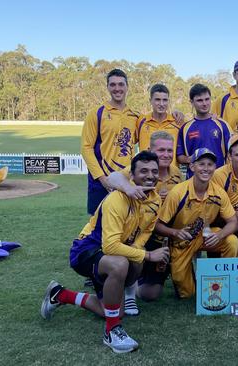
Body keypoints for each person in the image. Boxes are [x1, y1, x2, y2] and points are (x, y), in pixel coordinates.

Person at [40, 151, 169, 353]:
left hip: (109, 255)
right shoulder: (117, 199)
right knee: (123, 264)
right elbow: (110, 246)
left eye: (154, 171)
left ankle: (61, 294)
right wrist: (148, 255)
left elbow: (147, 230)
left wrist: (138, 248)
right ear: (132, 176)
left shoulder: (154, 200)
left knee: (110, 309)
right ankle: (112, 331)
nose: (150, 175)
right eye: (143, 171)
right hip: (86, 250)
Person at [106, 131, 184, 311]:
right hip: (139, 233)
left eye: (170, 150)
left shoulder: (176, 173)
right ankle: (128, 287)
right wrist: (129, 189)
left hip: (160, 234)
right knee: (136, 257)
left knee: (152, 294)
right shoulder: (141, 167)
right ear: (150, 150)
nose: (166, 154)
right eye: (161, 150)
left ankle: (159, 273)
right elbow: (113, 178)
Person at [154, 148, 238, 298]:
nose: (206, 168)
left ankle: (223, 282)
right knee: (187, 294)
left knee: (231, 241)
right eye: (201, 164)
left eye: (210, 164)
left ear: (215, 167)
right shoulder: (178, 192)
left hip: (205, 237)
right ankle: (184, 275)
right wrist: (175, 232)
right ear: (192, 167)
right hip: (182, 242)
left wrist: (220, 234)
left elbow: (233, 222)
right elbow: (158, 225)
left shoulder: (219, 192)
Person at [81, 68, 140, 215]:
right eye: (113, 85)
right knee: (97, 228)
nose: (117, 88)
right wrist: (102, 179)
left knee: (127, 225)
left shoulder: (135, 116)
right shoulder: (97, 113)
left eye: (121, 84)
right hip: (101, 182)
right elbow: (86, 148)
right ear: (107, 87)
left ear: (127, 87)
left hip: (127, 180)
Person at [177, 84, 232, 178]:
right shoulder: (185, 128)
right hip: (194, 181)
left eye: (207, 99)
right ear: (191, 102)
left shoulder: (222, 125)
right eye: (199, 100)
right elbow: (179, 157)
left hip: (219, 179)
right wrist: (190, 159)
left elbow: (232, 151)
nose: (204, 103)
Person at [137, 83, 184, 167]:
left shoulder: (178, 122)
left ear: (168, 101)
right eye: (157, 100)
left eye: (165, 100)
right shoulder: (140, 121)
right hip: (146, 175)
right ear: (150, 101)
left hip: (171, 177)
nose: (161, 104)